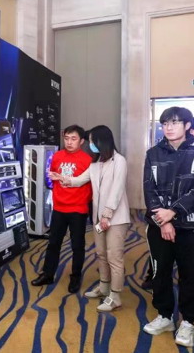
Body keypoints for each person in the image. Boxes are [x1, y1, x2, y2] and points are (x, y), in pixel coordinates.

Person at [142, 107, 194, 348]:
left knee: (190, 276)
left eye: (174, 122)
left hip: (191, 226)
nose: (169, 127)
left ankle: (188, 321)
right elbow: (149, 189)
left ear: (187, 125)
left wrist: (172, 212)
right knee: (159, 273)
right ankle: (164, 315)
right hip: (158, 224)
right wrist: (163, 220)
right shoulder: (153, 153)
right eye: (165, 123)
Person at [59, 125, 130, 312]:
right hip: (99, 219)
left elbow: (117, 190)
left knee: (114, 257)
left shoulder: (119, 161)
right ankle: (104, 287)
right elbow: (79, 180)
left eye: (91, 141)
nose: (90, 145)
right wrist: (63, 179)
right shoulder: (95, 164)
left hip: (116, 218)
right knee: (101, 253)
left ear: (101, 141)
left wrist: (107, 214)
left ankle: (115, 296)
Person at [31, 125, 93, 294]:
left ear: (81, 141)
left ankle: (75, 277)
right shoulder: (57, 156)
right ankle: (48, 274)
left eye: (73, 139)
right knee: (53, 243)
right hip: (59, 207)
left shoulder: (87, 160)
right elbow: (51, 178)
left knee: (77, 246)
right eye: (66, 138)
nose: (69, 142)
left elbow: (91, 186)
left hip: (78, 209)